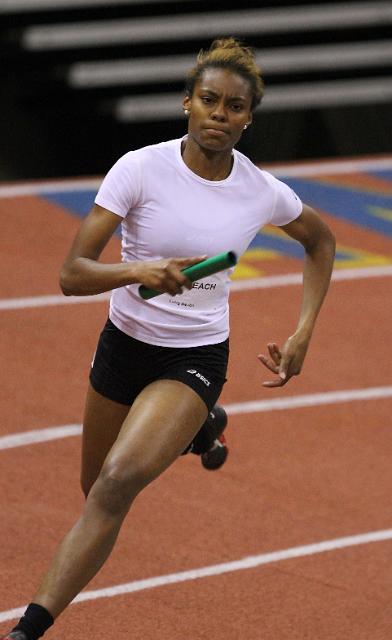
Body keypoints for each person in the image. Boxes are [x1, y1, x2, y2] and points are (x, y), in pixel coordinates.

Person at [2, 37, 335, 640]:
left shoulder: (261, 190)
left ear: (249, 118)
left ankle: (28, 629)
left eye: (235, 106)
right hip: (124, 345)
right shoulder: (139, 168)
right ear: (188, 103)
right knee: (93, 487)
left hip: (195, 357)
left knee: (116, 484)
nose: (220, 114)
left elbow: (321, 241)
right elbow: (72, 273)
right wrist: (137, 271)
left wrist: (303, 331)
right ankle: (201, 428)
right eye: (209, 100)